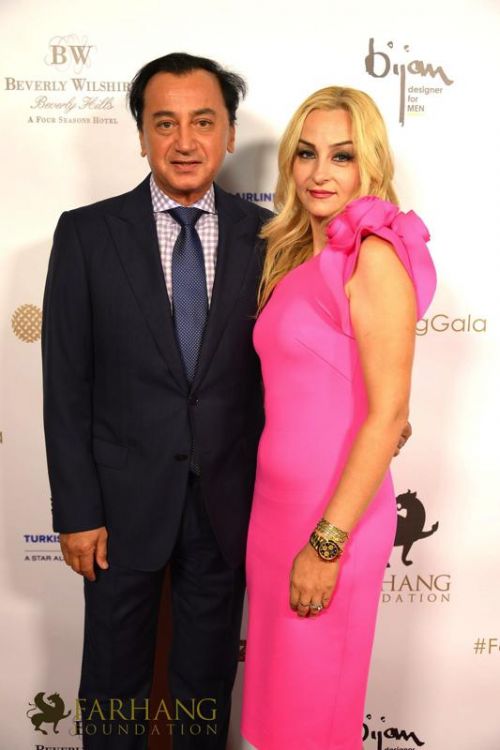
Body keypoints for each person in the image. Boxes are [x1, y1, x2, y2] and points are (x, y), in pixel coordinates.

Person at [41, 52, 273, 749]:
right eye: (164, 123)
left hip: (227, 504)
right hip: (118, 508)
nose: (184, 141)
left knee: (205, 683)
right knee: (114, 683)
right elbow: (65, 385)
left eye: (203, 121)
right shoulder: (86, 234)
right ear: (141, 135)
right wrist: (77, 511)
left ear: (230, 134)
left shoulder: (270, 238)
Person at [241, 86, 436, 749]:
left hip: (332, 523)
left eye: (342, 156)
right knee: (277, 724)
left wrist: (327, 545)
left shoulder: (374, 256)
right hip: (275, 517)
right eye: (306, 154)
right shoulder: (299, 255)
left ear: (370, 164)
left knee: (312, 726)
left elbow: (389, 414)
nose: (320, 172)